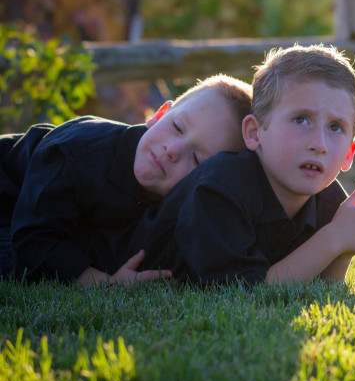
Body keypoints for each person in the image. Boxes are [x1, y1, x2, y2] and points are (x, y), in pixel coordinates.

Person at [133, 43, 355, 285]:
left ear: (349, 154)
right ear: (254, 133)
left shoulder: (331, 202)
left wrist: (345, 246)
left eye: (335, 127)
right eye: (301, 119)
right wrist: (335, 238)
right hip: (114, 262)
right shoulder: (219, 187)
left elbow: (321, 285)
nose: (319, 143)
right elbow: (244, 291)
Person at [0, 74, 252, 286]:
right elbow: (33, 239)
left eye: (197, 158)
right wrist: (103, 282)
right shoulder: (78, 153)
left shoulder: (178, 206)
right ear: (160, 114)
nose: (172, 150)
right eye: (177, 127)